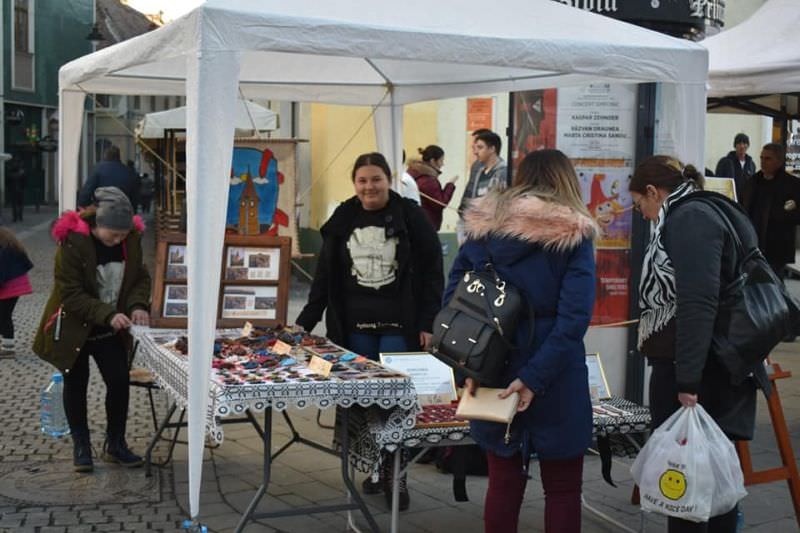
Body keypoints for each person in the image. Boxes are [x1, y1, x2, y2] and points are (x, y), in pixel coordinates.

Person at [448, 149, 597, 533]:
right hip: (556, 371)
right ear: (565, 181)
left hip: (491, 364)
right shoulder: (574, 236)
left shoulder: (484, 229)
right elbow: (574, 319)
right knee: (563, 489)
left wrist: (467, 365)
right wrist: (534, 377)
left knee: (503, 482)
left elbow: (455, 300)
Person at [295, 152, 443, 510]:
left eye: (375, 179)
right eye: (362, 180)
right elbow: (325, 278)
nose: (369, 187)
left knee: (393, 400)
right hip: (354, 327)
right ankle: (375, 468)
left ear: (388, 179)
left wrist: (427, 322)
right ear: (354, 183)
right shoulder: (343, 217)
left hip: (399, 324)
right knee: (363, 401)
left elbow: (432, 271)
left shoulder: (411, 216)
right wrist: (305, 322)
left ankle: (397, 475)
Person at [630, 156, 768, 533]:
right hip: (718, 362)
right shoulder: (710, 210)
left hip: (699, 368)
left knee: (686, 480)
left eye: (640, 203)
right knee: (709, 480)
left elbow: (698, 300)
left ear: (654, 192)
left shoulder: (690, 219)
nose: (641, 214)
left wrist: (687, 381)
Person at [33, 187, 151, 473]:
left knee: (119, 380)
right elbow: (70, 293)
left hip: (110, 327)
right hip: (75, 325)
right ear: (97, 225)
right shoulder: (72, 242)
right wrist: (107, 313)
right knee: (76, 384)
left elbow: (140, 277)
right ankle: (81, 446)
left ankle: (116, 444)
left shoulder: (131, 239)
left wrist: (137, 305)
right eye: (113, 235)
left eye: (123, 235)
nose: (118, 240)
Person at [740, 142, 800, 278]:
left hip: (778, 245)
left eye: (768, 158)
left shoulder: (792, 185)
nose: (763, 162)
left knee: (774, 282)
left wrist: (784, 214)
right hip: (753, 243)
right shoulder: (752, 182)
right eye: (761, 158)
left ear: (779, 161)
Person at [457, 130, 507, 244]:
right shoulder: (479, 171)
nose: (475, 152)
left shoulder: (503, 173)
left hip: (492, 230)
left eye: (480, 147)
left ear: (492, 149)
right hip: (476, 227)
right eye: (475, 148)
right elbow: (471, 195)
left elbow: (502, 205)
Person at [406, 145, 458, 230]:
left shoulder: (415, 173)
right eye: (441, 160)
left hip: (417, 223)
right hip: (426, 226)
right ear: (433, 161)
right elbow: (440, 203)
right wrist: (450, 184)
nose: (443, 164)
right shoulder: (427, 180)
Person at [0, 227, 33, 356]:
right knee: (4, 316)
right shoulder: (12, 247)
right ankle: (7, 344)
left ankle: (8, 348)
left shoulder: (4, 252)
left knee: (3, 317)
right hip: (16, 287)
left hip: (8, 289)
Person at [714, 133, 756, 200]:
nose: (742, 146)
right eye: (739, 143)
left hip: (744, 202)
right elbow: (717, 182)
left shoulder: (751, 164)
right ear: (735, 146)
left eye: (744, 143)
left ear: (748, 146)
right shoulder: (725, 162)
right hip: (728, 200)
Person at [5, 154, 26, 223]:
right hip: (19, 189)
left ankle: (15, 217)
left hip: (14, 190)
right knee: (19, 204)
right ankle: (19, 217)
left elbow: (7, 181)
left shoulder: (11, 170)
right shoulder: (21, 171)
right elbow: (24, 181)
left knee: (15, 204)